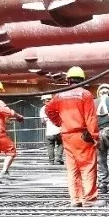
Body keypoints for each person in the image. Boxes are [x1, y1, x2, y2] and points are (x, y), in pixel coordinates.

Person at [44, 66, 101, 207]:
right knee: (87, 167)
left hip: (67, 135)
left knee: (73, 168)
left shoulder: (59, 95)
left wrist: (59, 122)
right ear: (83, 80)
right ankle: (90, 199)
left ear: (68, 80)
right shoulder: (85, 94)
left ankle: (76, 199)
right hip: (83, 135)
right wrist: (95, 136)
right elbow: (90, 118)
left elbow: (48, 109)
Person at [40, 95, 64, 166]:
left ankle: (51, 161)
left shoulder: (43, 109)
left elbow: (42, 121)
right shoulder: (57, 107)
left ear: (43, 101)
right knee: (61, 143)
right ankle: (59, 157)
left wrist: (47, 124)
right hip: (59, 130)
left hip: (49, 132)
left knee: (50, 146)